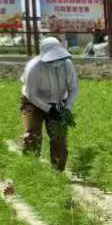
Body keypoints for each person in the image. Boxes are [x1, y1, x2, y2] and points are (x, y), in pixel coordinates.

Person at [20, 36, 79, 172]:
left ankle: (57, 172)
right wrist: (48, 109)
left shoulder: (67, 65)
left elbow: (74, 88)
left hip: (58, 102)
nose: (57, 61)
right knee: (32, 136)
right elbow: (31, 94)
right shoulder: (34, 67)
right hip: (32, 103)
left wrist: (67, 108)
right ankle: (29, 170)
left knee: (59, 138)